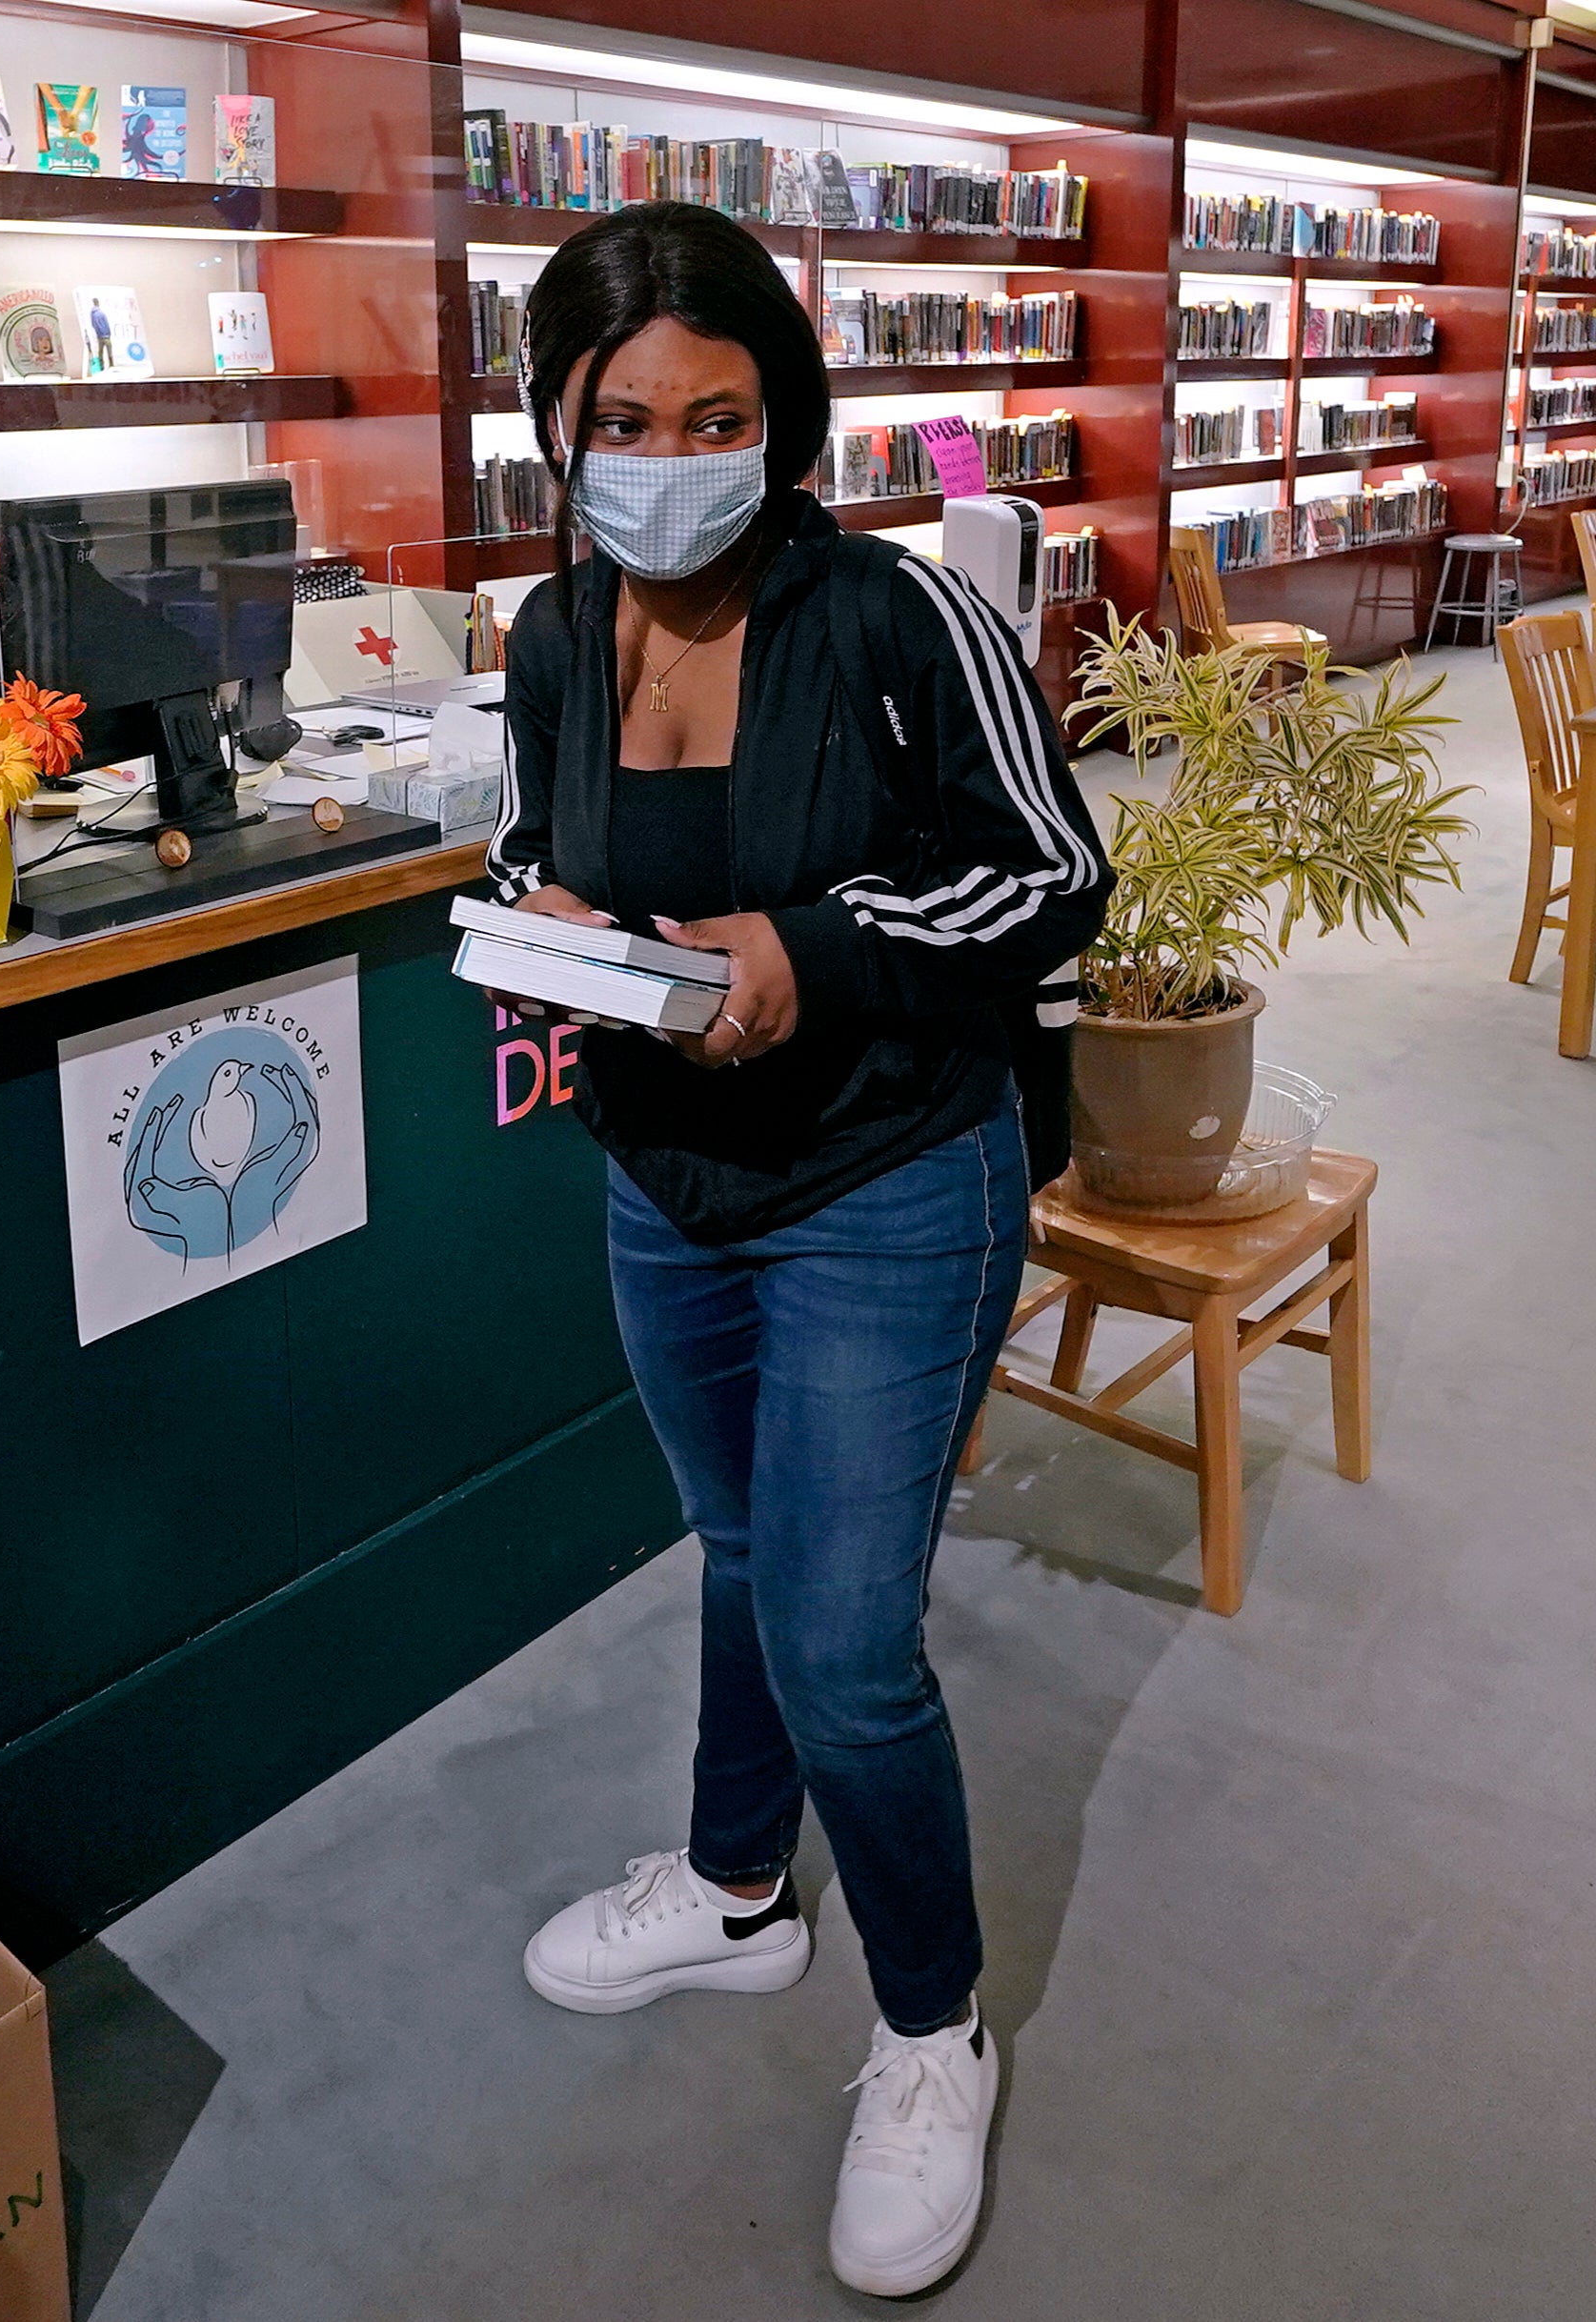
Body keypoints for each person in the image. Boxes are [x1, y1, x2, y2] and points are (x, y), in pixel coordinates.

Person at [490, 202, 1110, 2298]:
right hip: (664, 1185)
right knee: (740, 1552)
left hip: (884, 1182)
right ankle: (743, 1892)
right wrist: (538, 932)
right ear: (557, 429)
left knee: (848, 1645)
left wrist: (813, 954)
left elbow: (1051, 874)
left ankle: (934, 2027)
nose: (675, 454)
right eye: (627, 419)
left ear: (785, 418)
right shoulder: (557, 634)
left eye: (722, 414)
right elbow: (533, 843)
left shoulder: (899, 620)